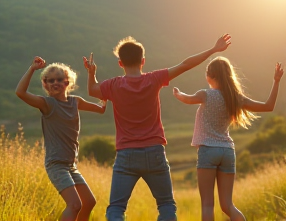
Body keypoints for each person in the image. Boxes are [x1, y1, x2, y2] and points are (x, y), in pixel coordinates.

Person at [83, 34, 231, 221]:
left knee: (116, 208)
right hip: (154, 151)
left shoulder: (113, 85)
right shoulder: (154, 79)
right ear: (143, 61)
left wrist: (91, 73)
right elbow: (185, 65)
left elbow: (92, 90)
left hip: (126, 154)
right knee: (166, 205)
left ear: (120, 63)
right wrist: (212, 50)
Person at [173, 56, 284, 221]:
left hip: (208, 151)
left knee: (207, 205)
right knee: (227, 205)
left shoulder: (205, 94)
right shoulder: (235, 98)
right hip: (227, 151)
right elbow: (268, 106)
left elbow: (187, 99)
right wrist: (276, 81)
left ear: (212, 76)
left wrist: (178, 93)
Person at [15, 56, 107, 221]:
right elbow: (20, 92)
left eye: (59, 79)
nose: (54, 83)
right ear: (45, 84)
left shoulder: (75, 102)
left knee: (89, 202)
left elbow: (101, 108)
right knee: (74, 205)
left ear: (67, 83)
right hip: (56, 164)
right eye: (50, 80)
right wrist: (32, 69)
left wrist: (92, 74)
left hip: (71, 164)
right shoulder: (46, 104)